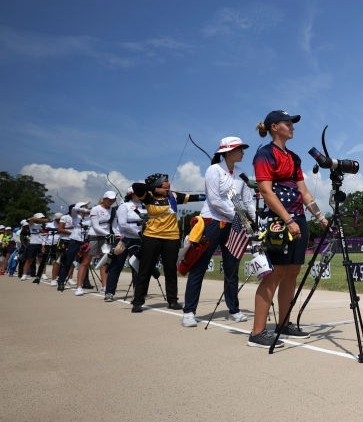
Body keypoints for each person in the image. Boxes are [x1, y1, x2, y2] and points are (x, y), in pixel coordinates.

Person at [249, 110, 329, 348]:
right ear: (274, 127)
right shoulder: (264, 154)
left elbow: (303, 191)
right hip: (278, 221)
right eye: (287, 123)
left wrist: (320, 217)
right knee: (274, 274)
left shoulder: (293, 157)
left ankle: (284, 323)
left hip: (298, 219)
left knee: (292, 272)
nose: (292, 127)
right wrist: (287, 220)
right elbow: (265, 190)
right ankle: (257, 332)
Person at [180, 136, 254, 328]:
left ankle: (234, 309)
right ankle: (189, 311)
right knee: (199, 266)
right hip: (213, 221)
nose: (243, 152)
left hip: (234, 224)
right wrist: (239, 217)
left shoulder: (242, 173)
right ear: (228, 152)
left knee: (232, 267)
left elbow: (248, 200)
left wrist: (254, 219)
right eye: (239, 149)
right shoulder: (214, 170)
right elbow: (214, 200)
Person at [130, 173, 204, 313]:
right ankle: (138, 301)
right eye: (165, 181)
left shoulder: (173, 196)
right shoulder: (148, 195)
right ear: (158, 184)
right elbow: (136, 186)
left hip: (172, 237)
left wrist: (210, 195)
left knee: (170, 269)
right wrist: (155, 189)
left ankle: (172, 300)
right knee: (145, 269)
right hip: (151, 236)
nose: (168, 183)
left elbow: (196, 197)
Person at [104, 184, 147, 302]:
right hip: (124, 239)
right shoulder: (124, 206)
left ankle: (137, 293)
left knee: (136, 266)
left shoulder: (145, 206)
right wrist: (136, 232)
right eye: (138, 193)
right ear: (132, 194)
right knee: (116, 265)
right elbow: (122, 224)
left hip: (139, 240)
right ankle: (109, 292)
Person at [57, 202, 91, 293]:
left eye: (87, 206)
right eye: (85, 206)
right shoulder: (75, 216)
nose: (87, 207)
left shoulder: (89, 218)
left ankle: (85, 282)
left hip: (85, 242)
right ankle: (61, 281)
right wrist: (85, 210)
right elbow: (74, 210)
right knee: (68, 262)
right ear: (80, 208)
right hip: (74, 241)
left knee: (84, 263)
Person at [87, 191, 118, 289]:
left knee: (104, 261)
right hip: (94, 236)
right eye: (109, 200)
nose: (111, 201)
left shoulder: (113, 210)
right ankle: (79, 286)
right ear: (104, 199)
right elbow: (96, 226)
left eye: (113, 200)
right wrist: (108, 234)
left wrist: (117, 234)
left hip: (106, 238)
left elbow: (113, 225)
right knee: (86, 261)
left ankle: (104, 286)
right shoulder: (95, 209)